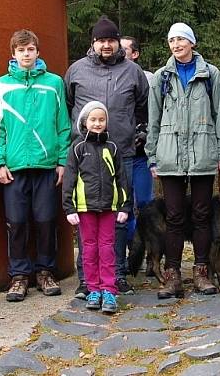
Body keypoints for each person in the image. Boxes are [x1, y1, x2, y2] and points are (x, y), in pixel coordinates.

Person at [145, 23, 220, 298]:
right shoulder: (161, 77)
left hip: (203, 153)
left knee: (202, 215)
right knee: (173, 216)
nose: (176, 44)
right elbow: (153, 121)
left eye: (181, 38)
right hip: (169, 155)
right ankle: (172, 276)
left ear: (192, 42)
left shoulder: (210, 75)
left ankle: (202, 272)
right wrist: (152, 157)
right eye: (171, 39)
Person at [65, 16, 149, 298]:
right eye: (101, 40)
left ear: (118, 42)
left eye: (111, 40)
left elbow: (143, 106)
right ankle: (86, 280)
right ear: (93, 43)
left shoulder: (133, 71)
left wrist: (133, 132)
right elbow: (68, 105)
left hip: (120, 152)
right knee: (87, 220)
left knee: (118, 218)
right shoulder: (76, 70)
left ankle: (118, 275)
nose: (106, 45)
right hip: (85, 154)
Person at [0, 29, 71, 302]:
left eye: (31, 49)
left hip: (46, 165)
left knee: (47, 221)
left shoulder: (53, 83)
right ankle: (19, 276)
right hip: (14, 167)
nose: (26, 54)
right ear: (13, 54)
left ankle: (45, 271)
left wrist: (62, 161)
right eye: (21, 50)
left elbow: (63, 124)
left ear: (38, 52)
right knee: (17, 222)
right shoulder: (1, 85)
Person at [63, 101, 131, 314]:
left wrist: (124, 206)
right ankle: (93, 289)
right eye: (93, 119)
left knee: (107, 248)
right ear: (84, 122)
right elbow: (69, 179)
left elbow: (122, 178)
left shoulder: (112, 147)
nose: (97, 123)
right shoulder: (78, 148)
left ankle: (109, 290)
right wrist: (69, 208)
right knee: (89, 249)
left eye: (101, 120)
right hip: (85, 208)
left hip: (109, 208)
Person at [119, 36, 154, 261]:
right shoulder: (111, 76)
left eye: (125, 49)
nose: (120, 53)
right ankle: (133, 249)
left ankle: (151, 249)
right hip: (121, 153)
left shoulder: (150, 79)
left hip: (142, 155)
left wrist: (147, 133)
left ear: (135, 54)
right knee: (125, 205)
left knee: (145, 203)